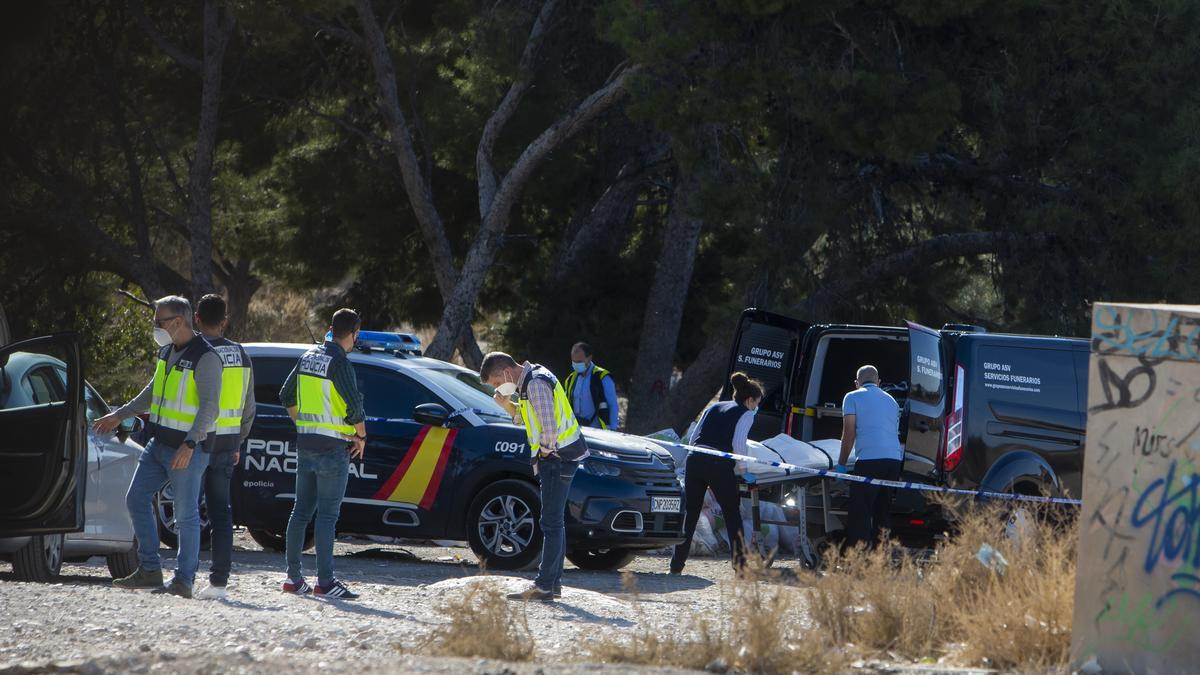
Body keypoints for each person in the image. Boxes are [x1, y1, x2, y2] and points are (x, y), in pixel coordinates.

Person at [92, 295, 219, 598]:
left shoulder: (206, 357)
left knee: (185, 515)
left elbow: (210, 408)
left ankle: (183, 581)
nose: (155, 326)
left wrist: (189, 444)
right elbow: (151, 392)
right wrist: (119, 414)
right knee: (136, 498)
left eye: (159, 321)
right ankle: (149, 569)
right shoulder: (166, 351)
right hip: (158, 443)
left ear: (178, 322)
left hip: (188, 449)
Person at [481, 352, 589, 601]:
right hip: (564, 455)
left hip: (555, 458)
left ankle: (544, 586)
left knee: (550, 523)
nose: (498, 388)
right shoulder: (533, 379)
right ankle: (553, 583)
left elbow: (548, 427)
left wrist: (545, 452)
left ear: (506, 372)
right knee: (555, 522)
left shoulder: (535, 383)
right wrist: (507, 405)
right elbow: (530, 418)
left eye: (497, 383)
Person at [277, 308, 366, 599]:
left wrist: (303, 424)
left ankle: (293, 579)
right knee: (327, 516)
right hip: (333, 448)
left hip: (306, 444)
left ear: (330, 328)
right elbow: (354, 408)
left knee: (300, 511)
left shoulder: (308, 357)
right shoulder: (340, 363)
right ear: (354, 334)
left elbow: (285, 394)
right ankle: (325, 582)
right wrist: (361, 437)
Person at [192, 294, 255, 600]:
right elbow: (249, 407)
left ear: (196, 319)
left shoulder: (194, 352)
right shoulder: (240, 353)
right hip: (228, 443)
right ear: (225, 321)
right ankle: (219, 582)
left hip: (197, 443)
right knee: (221, 513)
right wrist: (239, 440)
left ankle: (185, 575)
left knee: (188, 511)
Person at [670, 372, 762, 575]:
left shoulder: (714, 406)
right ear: (749, 400)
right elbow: (739, 443)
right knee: (732, 514)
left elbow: (694, 436)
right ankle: (740, 567)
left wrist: (692, 462)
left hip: (695, 459)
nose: (756, 408)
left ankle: (676, 565)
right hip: (718, 464)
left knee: (691, 514)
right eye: (756, 404)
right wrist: (744, 470)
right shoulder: (745, 413)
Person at [836, 364, 903, 549]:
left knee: (861, 510)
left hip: (869, 461)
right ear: (878, 382)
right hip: (893, 461)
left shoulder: (852, 397)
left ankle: (859, 558)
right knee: (882, 510)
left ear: (857, 383)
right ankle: (880, 557)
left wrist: (841, 464)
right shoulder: (892, 401)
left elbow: (848, 434)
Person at [563, 342, 619, 430]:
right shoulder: (570, 379)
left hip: (598, 432)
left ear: (589, 358)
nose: (576, 364)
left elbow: (613, 405)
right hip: (576, 430)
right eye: (574, 361)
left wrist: (613, 431)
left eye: (579, 361)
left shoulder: (602, 377)